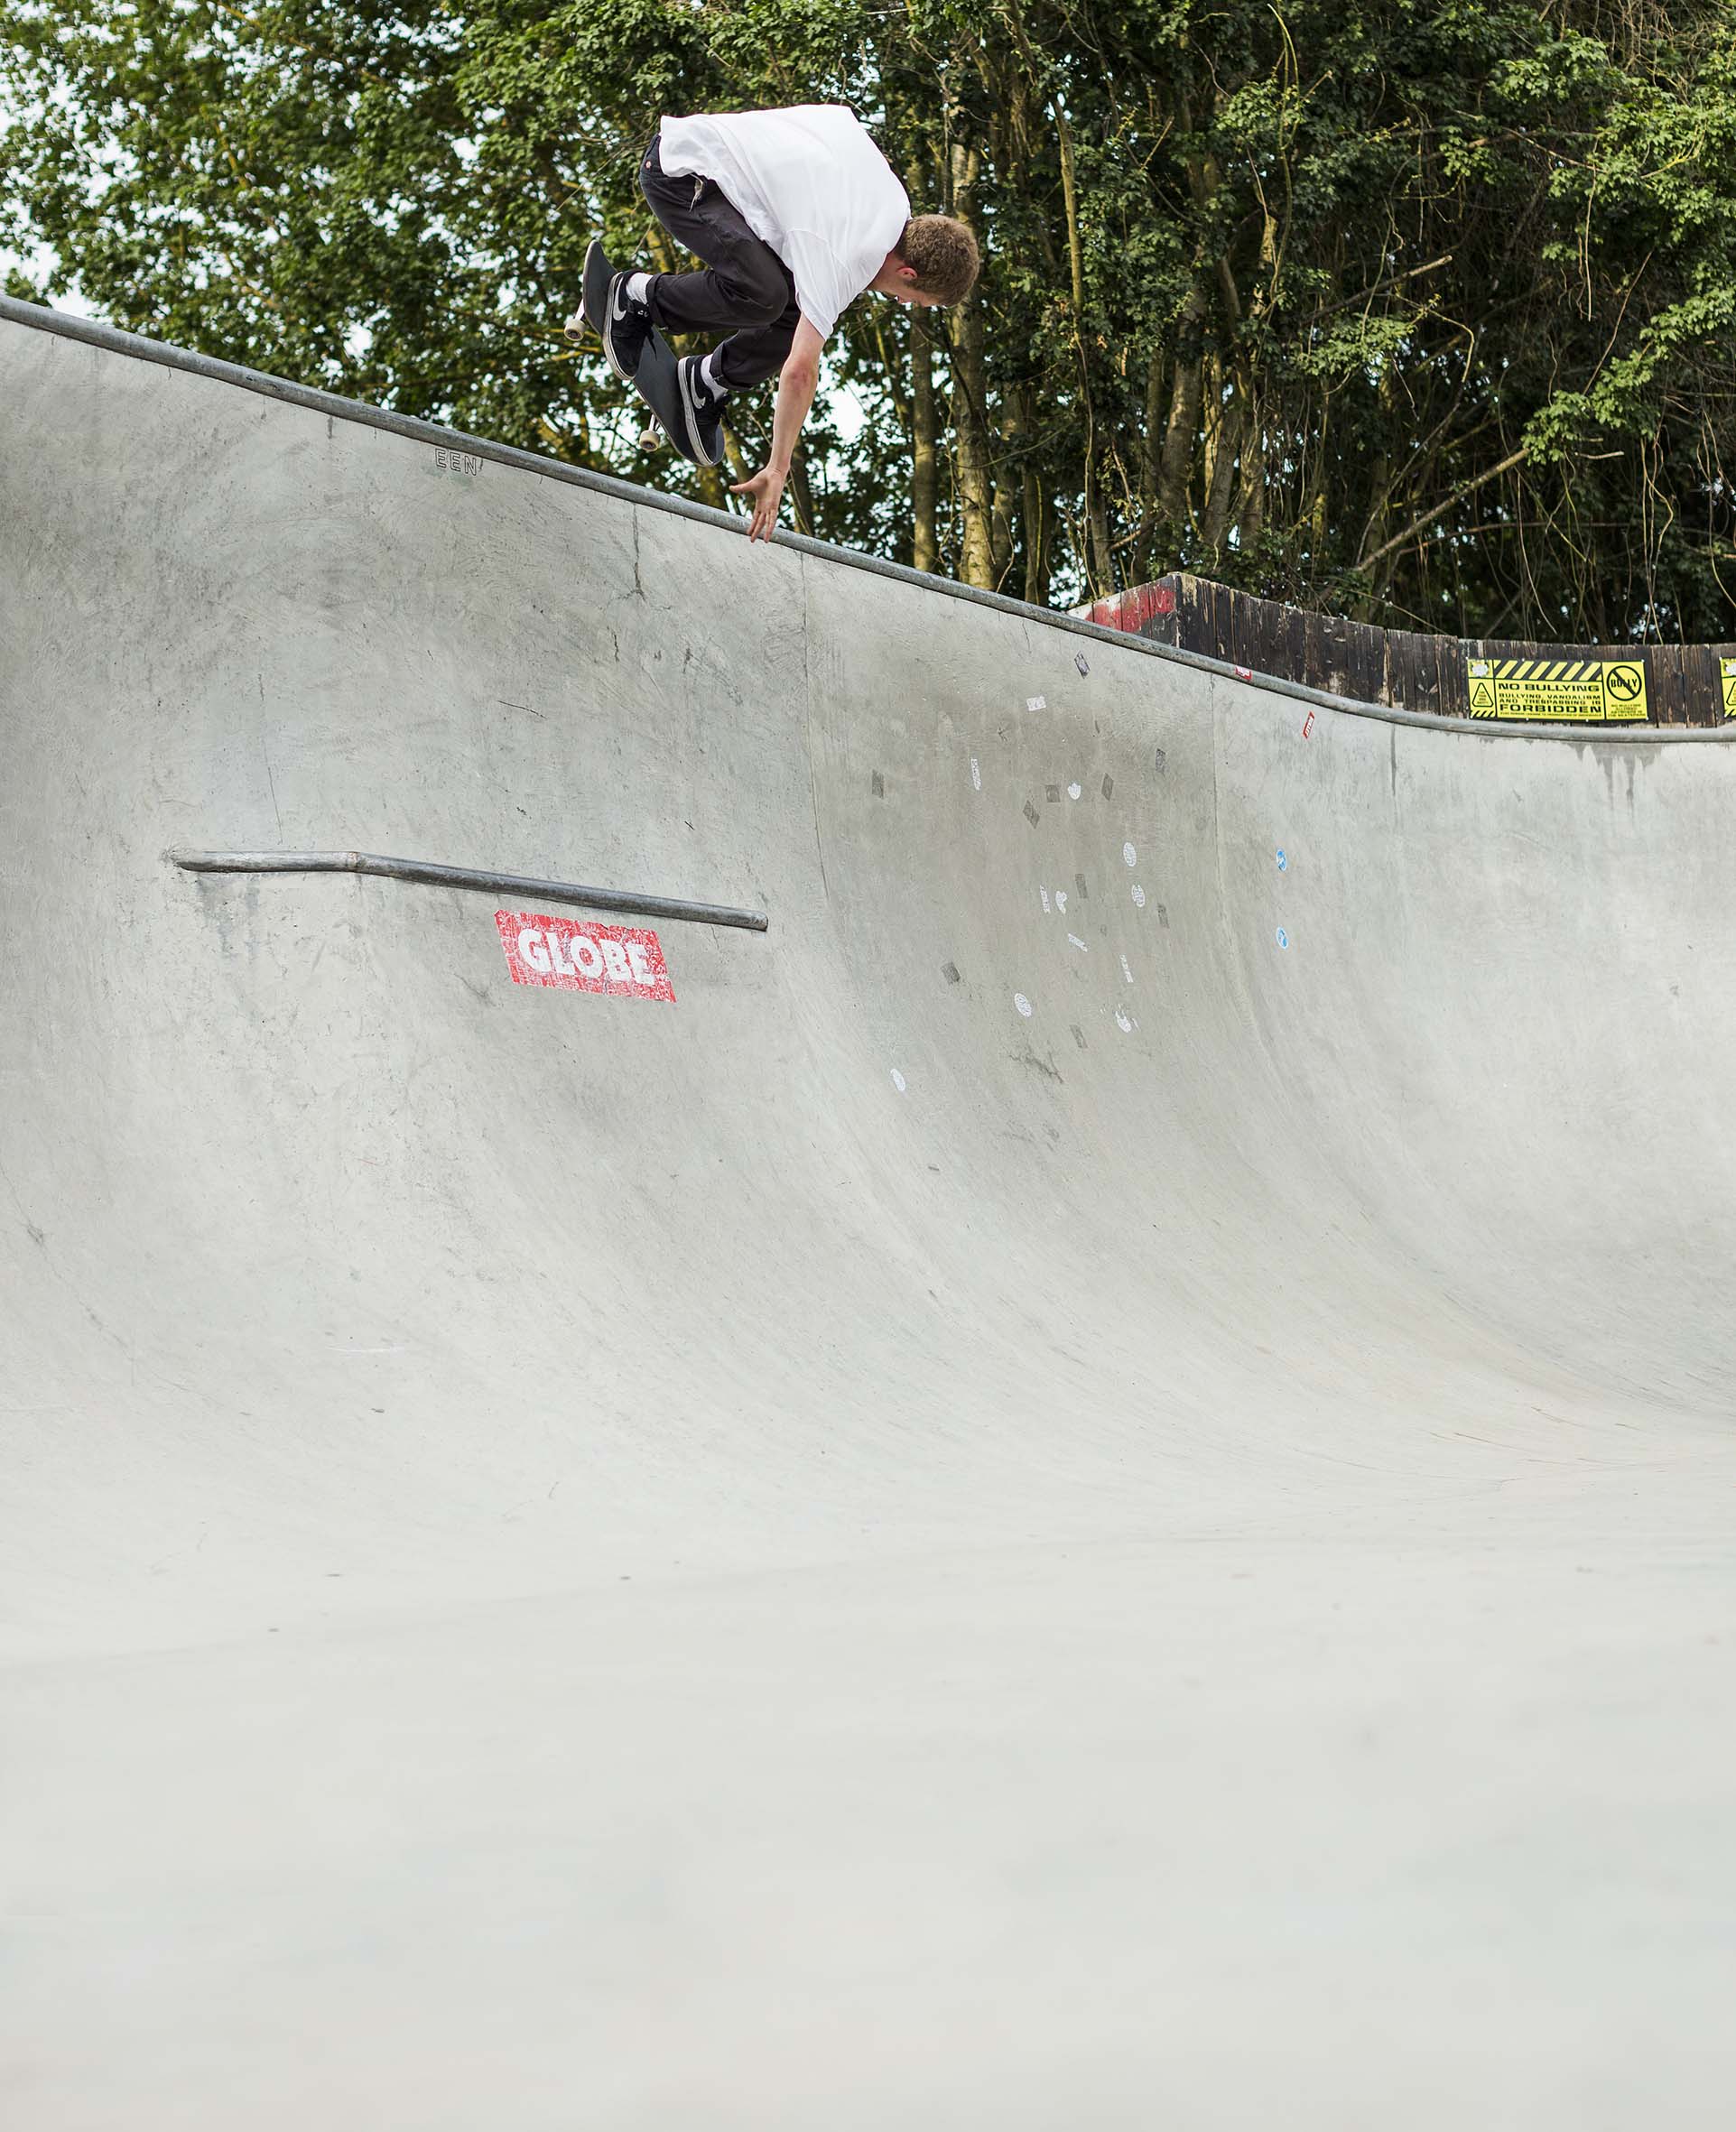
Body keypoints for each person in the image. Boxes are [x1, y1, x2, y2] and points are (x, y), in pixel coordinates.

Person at [571, 104, 979, 541]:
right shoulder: (849, 256)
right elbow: (801, 371)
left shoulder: (892, 206)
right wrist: (778, 468)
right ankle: (632, 297)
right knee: (765, 296)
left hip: (723, 181)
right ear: (909, 274)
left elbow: (840, 118)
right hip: (682, 174)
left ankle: (705, 382)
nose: (905, 303)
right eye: (915, 300)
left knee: (791, 304)